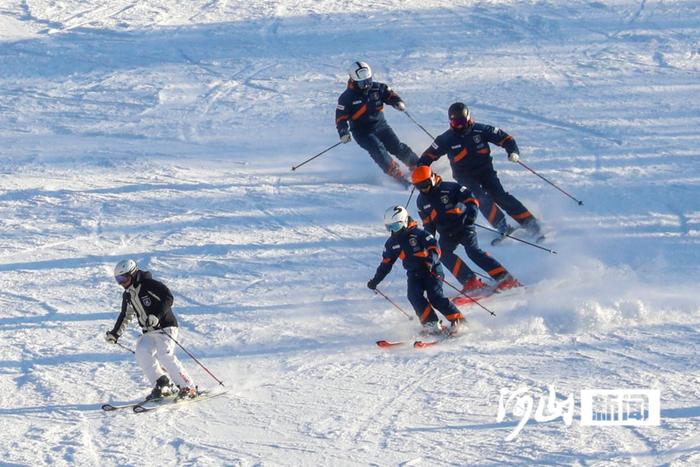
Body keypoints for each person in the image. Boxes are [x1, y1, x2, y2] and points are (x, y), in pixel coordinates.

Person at [417, 102, 544, 242]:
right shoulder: (446, 139)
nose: (458, 125)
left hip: (485, 171)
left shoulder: (480, 130)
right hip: (464, 175)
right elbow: (427, 157)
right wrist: (421, 173)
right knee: (479, 197)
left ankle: (530, 223)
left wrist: (513, 152)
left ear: (468, 118)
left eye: (461, 121)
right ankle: (502, 225)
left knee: (500, 196)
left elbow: (506, 138)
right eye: (454, 122)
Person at [412, 166, 521, 293]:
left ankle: (505, 278)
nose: (424, 188)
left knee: (473, 252)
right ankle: (470, 281)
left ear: (432, 178)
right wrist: (428, 242)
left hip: (464, 226)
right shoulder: (421, 201)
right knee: (443, 253)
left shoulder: (449, 188)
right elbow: (428, 225)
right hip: (446, 233)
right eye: (419, 186)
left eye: (425, 184)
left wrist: (471, 215)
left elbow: (471, 199)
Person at [105, 259, 197, 400]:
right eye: (118, 279)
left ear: (132, 273)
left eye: (123, 278)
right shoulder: (128, 294)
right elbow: (125, 315)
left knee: (164, 355)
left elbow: (168, 297)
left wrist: (157, 316)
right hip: (149, 332)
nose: (121, 283)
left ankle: (188, 387)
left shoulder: (148, 284)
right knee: (142, 352)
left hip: (165, 327)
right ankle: (162, 384)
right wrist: (115, 334)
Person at [367, 205, 464, 334]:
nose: (393, 231)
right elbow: (386, 264)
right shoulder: (392, 243)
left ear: (405, 221)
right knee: (413, 296)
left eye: (395, 227)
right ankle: (431, 324)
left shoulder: (419, 234)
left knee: (435, 297)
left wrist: (430, 262)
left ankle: (459, 321)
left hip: (431, 271)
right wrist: (375, 281)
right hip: (414, 274)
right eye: (389, 227)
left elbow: (434, 248)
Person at [336, 61, 419, 188]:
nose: (366, 85)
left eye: (368, 81)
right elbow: (340, 118)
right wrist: (343, 132)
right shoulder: (346, 98)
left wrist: (397, 102)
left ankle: (417, 165)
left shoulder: (377, 88)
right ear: (353, 80)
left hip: (381, 126)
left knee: (396, 146)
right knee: (377, 149)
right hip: (362, 132)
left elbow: (390, 94)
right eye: (362, 83)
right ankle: (395, 172)